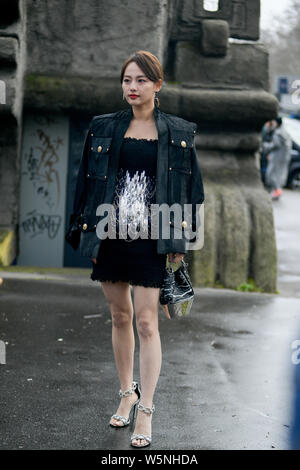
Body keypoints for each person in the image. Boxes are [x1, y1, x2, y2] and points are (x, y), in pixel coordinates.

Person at [65, 50, 205, 448]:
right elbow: (86, 185)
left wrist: (180, 244)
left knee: (147, 322)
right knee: (119, 316)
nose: (132, 87)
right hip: (110, 233)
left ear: (157, 85)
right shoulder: (103, 127)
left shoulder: (177, 132)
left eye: (141, 80)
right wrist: (87, 235)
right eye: (127, 80)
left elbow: (193, 192)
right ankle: (127, 392)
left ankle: (146, 411)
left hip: (154, 238)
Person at [262, 117, 292, 200]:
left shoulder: (277, 133)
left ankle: (277, 191)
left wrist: (265, 146)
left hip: (276, 157)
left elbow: (275, 145)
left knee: (271, 174)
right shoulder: (284, 132)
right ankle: (277, 191)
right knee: (277, 175)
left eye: (274, 122)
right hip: (282, 157)